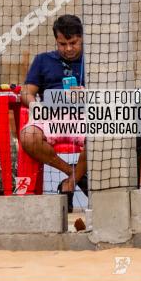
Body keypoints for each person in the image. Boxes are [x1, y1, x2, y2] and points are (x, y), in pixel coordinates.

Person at [19, 15, 87, 206]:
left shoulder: (95, 60)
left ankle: (69, 184)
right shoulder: (42, 60)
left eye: (73, 43)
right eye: (62, 43)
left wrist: (87, 95)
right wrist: (34, 105)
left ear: (82, 38)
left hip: (84, 116)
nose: (68, 49)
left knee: (102, 136)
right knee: (28, 136)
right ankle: (74, 173)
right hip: (50, 115)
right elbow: (26, 92)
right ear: (56, 40)